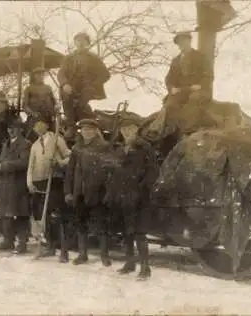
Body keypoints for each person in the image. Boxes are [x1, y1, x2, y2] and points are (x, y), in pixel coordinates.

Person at [106, 117, 158, 280]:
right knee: (126, 232)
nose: (127, 132)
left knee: (139, 233)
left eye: (131, 128)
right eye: (124, 129)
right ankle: (130, 263)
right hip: (122, 197)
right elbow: (114, 173)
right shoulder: (119, 149)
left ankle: (145, 268)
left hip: (139, 198)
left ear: (137, 129)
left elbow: (153, 172)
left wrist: (141, 190)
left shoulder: (145, 147)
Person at [64, 118, 114, 266]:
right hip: (80, 193)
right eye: (84, 130)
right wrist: (68, 192)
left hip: (98, 192)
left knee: (101, 225)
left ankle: (104, 256)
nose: (87, 132)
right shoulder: (76, 148)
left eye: (90, 130)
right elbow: (70, 172)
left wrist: (108, 192)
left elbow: (110, 171)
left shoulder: (104, 147)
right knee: (81, 223)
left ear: (95, 131)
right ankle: (82, 254)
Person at [27, 116, 71, 261]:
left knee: (56, 215)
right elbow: (31, 165)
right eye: (35, 126)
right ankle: (50, 246)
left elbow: (69, 156)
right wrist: (29, 182)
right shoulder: (34, 145)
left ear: (46, 125)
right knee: (42, 216)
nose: (37, 127)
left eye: (40, 124)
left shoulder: (56, 138)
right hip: (38, 181)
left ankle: (64, 250)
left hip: (54, 180)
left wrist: (59, 162)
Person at [57, 32, 111, 138]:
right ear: (75, 43)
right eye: (78, 40)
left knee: (81, 105)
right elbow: (61, 73)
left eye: (83, 41)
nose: (80, 43)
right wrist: (64, 84)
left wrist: (93, 84)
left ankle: (86, 125)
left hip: (87, 88)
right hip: (72, 87)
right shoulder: (69, 58)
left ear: (87, 43)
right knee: (66, 95)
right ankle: (71, 126)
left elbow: (105, 74)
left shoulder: (94, 58)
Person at [0, 117, 32, 253]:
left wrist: (5, 165)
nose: (11, 131)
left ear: (20, 129)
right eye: (9, 128)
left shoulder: (26, 144)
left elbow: (24, 162)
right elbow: (2, 159)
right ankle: (8, 240)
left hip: (18, 184)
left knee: (21, 214)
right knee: (5, 214)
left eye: (14, 128)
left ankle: (22, 243)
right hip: (4, 184)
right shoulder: (6, 144)